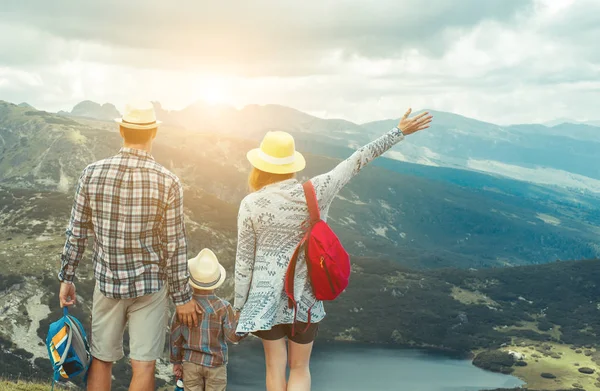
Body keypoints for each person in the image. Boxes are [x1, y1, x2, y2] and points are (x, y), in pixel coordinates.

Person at [234, 108, 432, 391]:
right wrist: (398, 132)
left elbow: (244, 262)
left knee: (273, 366)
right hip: (305, 299)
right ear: (291, 164)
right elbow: (356, 161)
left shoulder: (250, 204)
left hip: (263, 300)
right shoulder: (315, 190)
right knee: (300, 368)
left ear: (260, 166)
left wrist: (239, 306)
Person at [57, 101, 202, 391]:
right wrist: (182, 296)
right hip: (149, 286)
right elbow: (174, 246)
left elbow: (77, 231)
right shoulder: (168, 181)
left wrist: (67, 277)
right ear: (154, 134)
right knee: (144, 363)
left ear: (121, 131)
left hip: (107, 282)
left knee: (101, 359)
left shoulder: (91, 173)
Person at [170, 248, 244, 391]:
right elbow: (233, 337)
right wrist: (244, 322)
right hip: (216, 364)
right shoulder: (224, 307)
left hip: (190, 363)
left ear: (191, 282)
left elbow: (175, 337)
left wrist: (176, 361)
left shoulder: (184, 307)